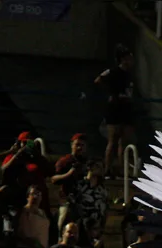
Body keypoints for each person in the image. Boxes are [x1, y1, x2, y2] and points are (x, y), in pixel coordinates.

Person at [95, 44, 135, 178]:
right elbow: (98, 80)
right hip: (115, 108)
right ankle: (108, 169)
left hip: (126, 108)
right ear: (123, 59)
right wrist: (111, 94)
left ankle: (121, 169)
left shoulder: (129, 75)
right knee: (113, 139)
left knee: (124, 141)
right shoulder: (113, 72)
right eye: (128, 58)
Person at [52, 133, 90, 203]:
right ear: (72, 145)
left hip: (84, 199)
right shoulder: (65, 160)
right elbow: (54, 179)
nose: (79, 148)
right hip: (68, 198)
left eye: (82, 145)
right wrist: (69, 173)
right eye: (77, 145)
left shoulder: (88, 162)